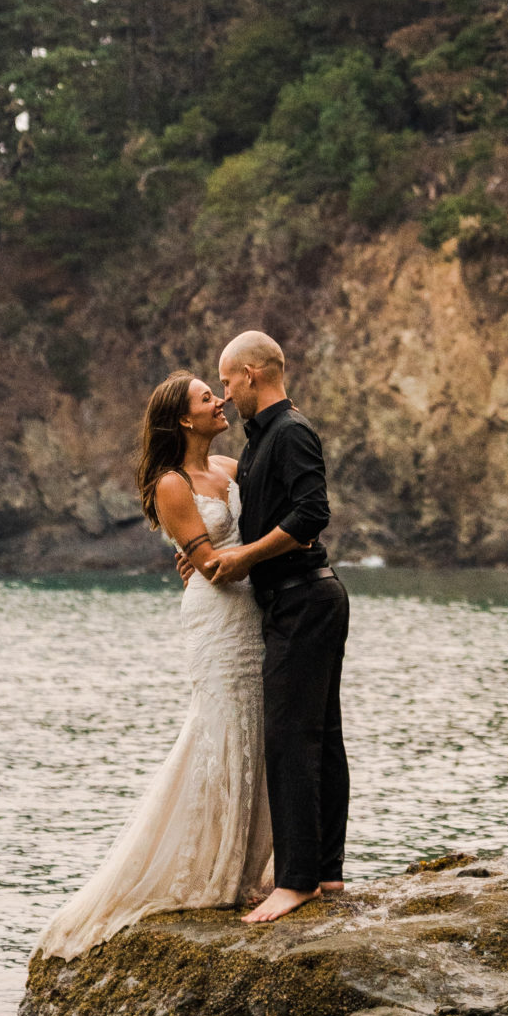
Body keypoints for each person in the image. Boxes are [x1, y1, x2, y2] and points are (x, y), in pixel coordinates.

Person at [30, 372, 272, 960]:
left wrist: (256, 550)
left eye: (217, 393)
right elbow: (212, 567)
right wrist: (272, 550)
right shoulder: (171, 484)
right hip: (218, 618)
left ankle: (248, 865)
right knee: (219, 730)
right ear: (185, 419)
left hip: (256, 613)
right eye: (206, 398)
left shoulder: (234, 469)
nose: (219, 401)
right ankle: (207, 868)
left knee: (259, 730)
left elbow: (242, 538)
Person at [180, 331, 349, 923]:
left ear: (251, 374)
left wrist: (244, 557)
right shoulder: (259, 441)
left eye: (226, 382)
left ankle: (297, 879)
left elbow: (312, 515)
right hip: (298, 599)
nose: (224, 394)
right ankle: (327, 872)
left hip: (305, 597)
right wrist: (209, 553)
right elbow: (244, 515)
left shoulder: (291, 432)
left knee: (291, 737)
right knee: (320, 734)